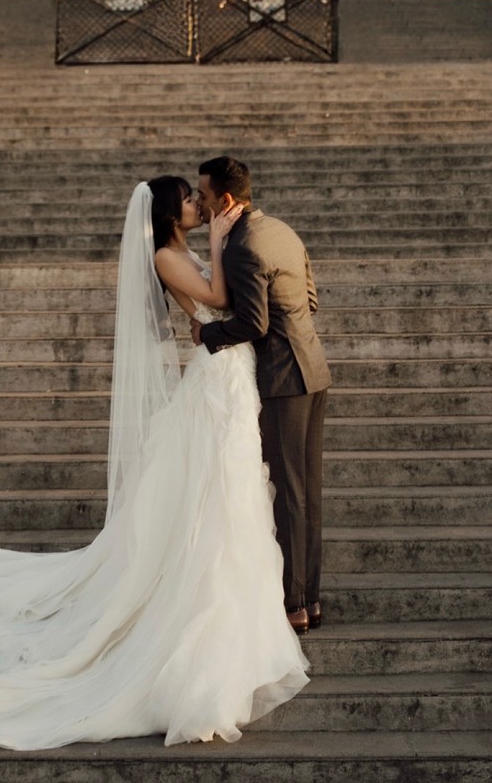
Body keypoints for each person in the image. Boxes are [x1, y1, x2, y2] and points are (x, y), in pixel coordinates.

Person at [0, 175, 309, 749]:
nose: (198, 205)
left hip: (227, 369)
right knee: (217, 489)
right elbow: (222, 299)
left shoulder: (181, 248)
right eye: (188, 199)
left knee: (227, 489)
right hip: (217, 376)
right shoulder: (164, 255)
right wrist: (225, 241)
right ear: (169, 212)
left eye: (198, 198)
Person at [194, 155, 331, 633]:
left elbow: (255, 323)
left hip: (282, 378)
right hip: (313, 368)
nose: (201, 206)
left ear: (226, 199)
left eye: (205, 198)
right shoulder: (282, 230)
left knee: (289, 493)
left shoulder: (241, 247)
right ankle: (310, 598)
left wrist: (205, 336)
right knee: (307, 491)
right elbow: (309, 300)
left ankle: (293, 603)